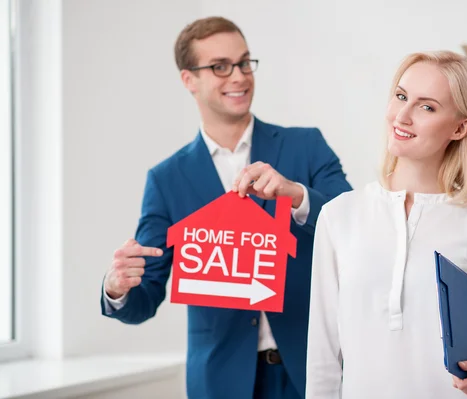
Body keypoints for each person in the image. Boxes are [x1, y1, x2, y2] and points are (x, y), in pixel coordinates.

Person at [100, 16, 352, 399]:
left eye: (244, 62)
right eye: (220, 67)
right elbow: (144, 299)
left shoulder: (306, 146)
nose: (239, 76)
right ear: (189, 80)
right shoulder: (166, 180)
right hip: (221, 382)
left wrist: (296, 194)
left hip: (311, 371)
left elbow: (351, 222)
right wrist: (118, 288)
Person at [305, 51, 467, 399]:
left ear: (461, 127)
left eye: (426, 107)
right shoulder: (339, 216)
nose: (401, 116)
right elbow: (322, 359)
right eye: (401, 96)